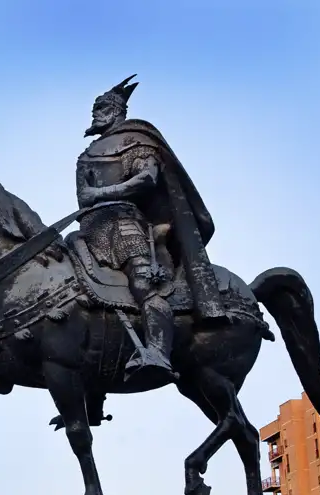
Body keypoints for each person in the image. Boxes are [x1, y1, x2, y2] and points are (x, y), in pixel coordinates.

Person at [75, 75, 228, 381]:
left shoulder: (135, 140)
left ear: (117, 111)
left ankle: (157, 351)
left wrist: (102, 195)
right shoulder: (87, 153)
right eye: (95, 107)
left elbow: (147, 178)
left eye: (102, 107)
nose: (96, 113)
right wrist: (93, 200)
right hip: (90, 228)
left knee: (143, 285)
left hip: (127, 224)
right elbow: (83, 196)